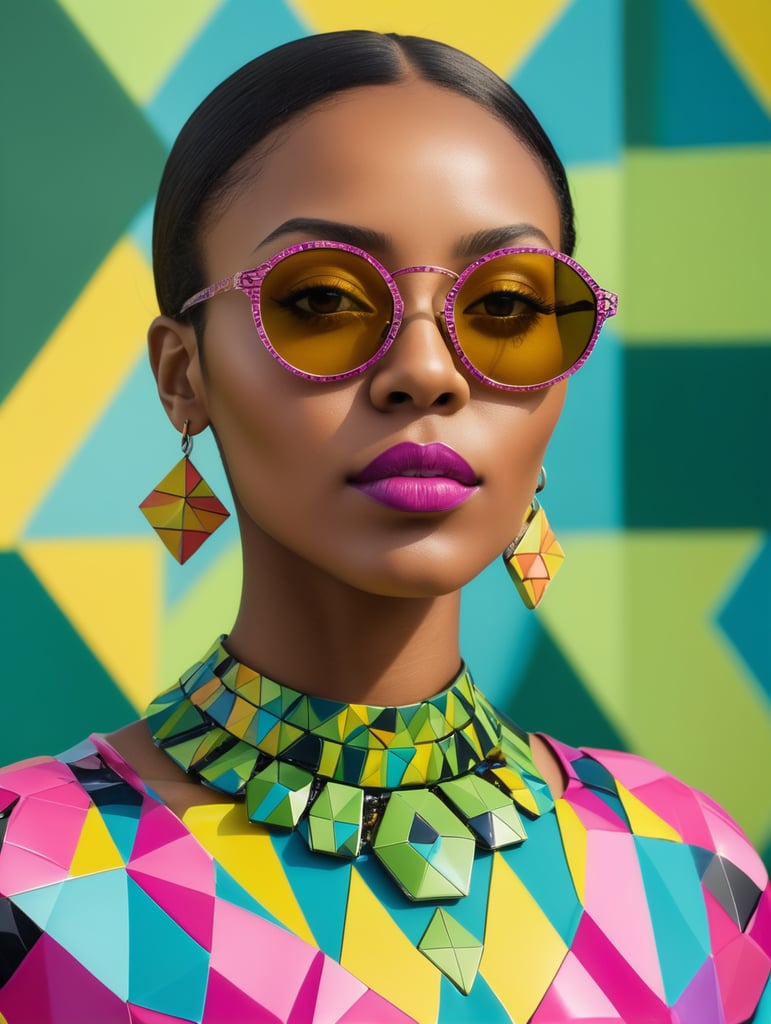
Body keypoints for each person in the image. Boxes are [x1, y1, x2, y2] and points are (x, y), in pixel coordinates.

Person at [0, 30, 768, 1024]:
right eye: (321, 300)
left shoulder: (692, 870)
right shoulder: (31, 880)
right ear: (183, 376)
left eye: (503, 305)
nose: (429, 372)